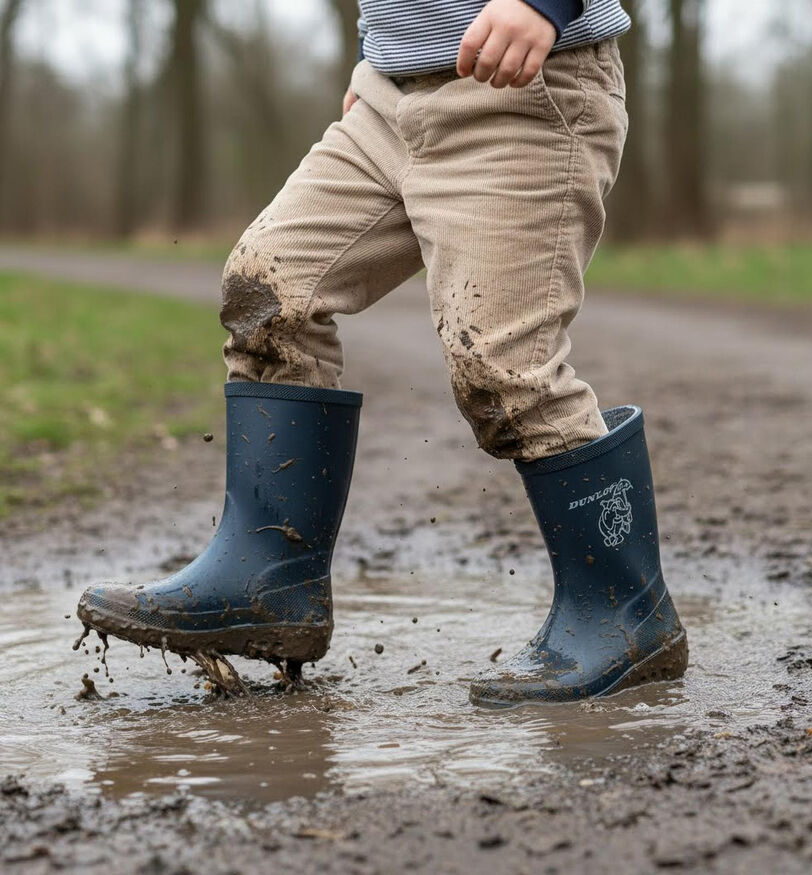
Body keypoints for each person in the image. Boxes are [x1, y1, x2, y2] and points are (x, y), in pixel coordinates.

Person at [77, 0, 688, 704]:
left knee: (502, 363)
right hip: (387, 99)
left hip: (523, 90)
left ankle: (623, 610)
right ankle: (270, 580)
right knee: (270, 290)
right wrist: (381, 48)